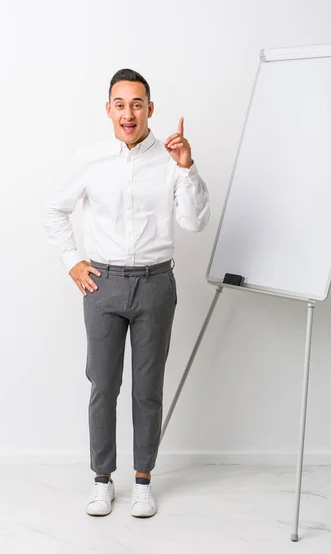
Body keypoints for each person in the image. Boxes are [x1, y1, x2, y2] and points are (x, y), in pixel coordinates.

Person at [44, 69, 210, 517]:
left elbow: (195, 223)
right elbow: (55, 211)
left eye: (137, 103)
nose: (129, 112)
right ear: (108, 109)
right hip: (103, 285)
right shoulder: (89, 159)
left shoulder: (171, 158)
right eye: (120, 104)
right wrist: (71, 261)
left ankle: (142, 481)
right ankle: (102, 480)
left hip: (156, 283)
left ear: (150, 109)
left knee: (147, 389)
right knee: (103, 384)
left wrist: (188, 168)